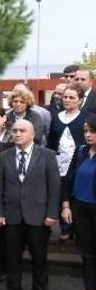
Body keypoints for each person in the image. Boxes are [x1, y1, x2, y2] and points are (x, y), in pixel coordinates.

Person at [0, 119, 59, 290]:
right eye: (14, 130)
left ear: (32, 134)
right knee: (12, 257)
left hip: (38, 216)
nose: (17, 134)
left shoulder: (47, 155)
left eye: (22, 130)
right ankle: (13, 289)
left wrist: (52, 214)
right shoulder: (5, 156)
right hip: (11, 214)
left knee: (39, 257)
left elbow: (54, 188)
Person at [62, 114, 96, 290]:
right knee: (88, 254)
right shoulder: (82, 151)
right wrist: (66, 205)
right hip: (81, 209)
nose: (88, 135)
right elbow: (67, 178)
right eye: (85, 131)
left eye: (92, 131)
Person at [48, 86, 86, 241]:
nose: (67, 100)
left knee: (74, 195)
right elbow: (51, 141)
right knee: (59, 194)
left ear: (80, 100)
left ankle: (75, 230)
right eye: (65, 97)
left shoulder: (86, 117)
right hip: (58, 163)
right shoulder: (56, 117)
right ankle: (64, 230)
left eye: (72, 98)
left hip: (78, 163)